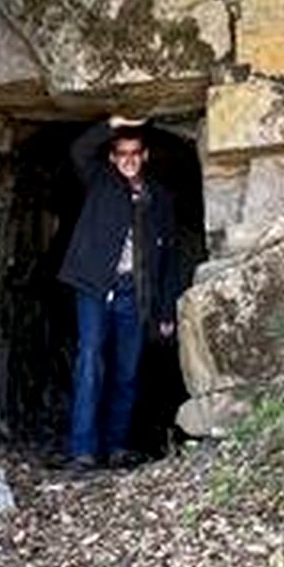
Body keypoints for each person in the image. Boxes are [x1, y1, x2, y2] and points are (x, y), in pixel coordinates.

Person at [58, 115, 180, 470]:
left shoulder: (160, 198)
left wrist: (166, 310)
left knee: (127, 372)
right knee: (90, 362)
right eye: (121, 153)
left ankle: (117, 446)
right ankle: (83, 449)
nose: (128, 159)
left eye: (135, 153)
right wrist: (113, 122)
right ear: (112, 157)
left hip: (135, 292)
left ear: (145, 156)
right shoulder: (100, 180)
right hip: (95, 288)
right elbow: (78, 150)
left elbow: (168, 258)